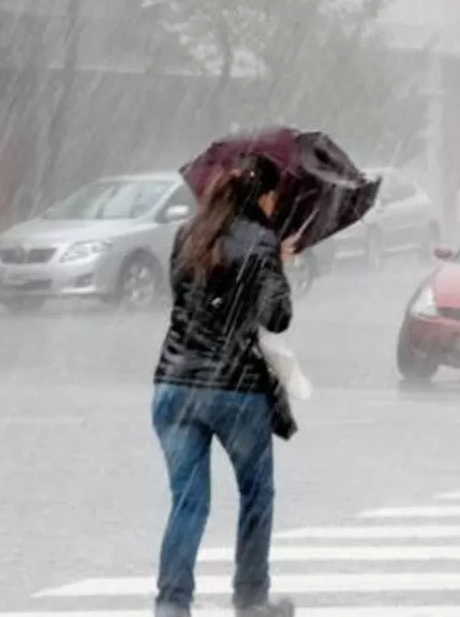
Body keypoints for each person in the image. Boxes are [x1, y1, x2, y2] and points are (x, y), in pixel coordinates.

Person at [151, 154, 297, 617]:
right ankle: (251, 598)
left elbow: (187, 297)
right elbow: (278, 317)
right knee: (256, 493)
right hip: (234, 390)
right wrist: (277, 263)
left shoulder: (187, 235)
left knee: (188, 502)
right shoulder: (261, 242)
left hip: (174, 385)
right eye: (276, 197)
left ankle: (172, 605)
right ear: (266, 197)